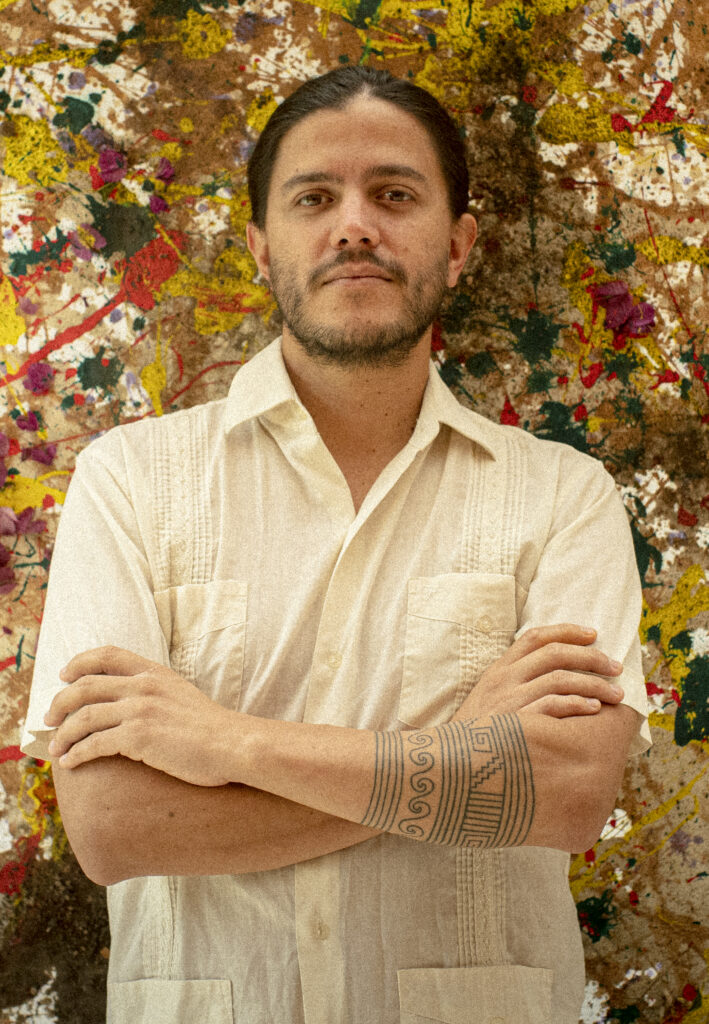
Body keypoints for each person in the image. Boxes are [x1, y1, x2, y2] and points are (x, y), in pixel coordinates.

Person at [21, 66, 650, 1024]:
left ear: (458, 245)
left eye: (394, 195)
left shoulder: (561, 497)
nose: (354, 226)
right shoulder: (131, 482)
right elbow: (115, 828)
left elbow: (563, 796)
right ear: (261, 248)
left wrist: (224, 743)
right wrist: (452, 757)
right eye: (314, 198)